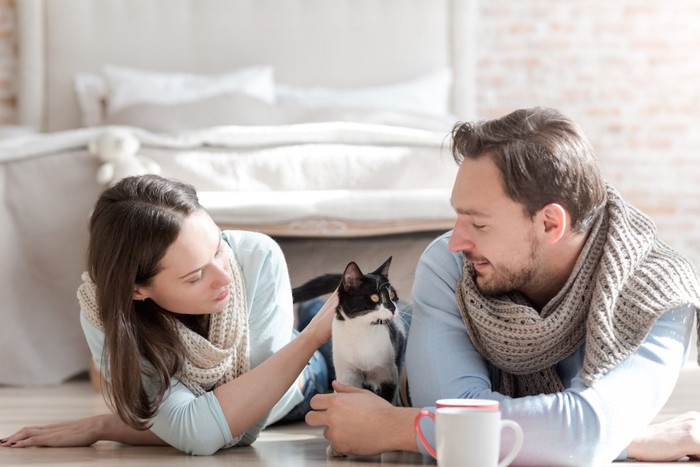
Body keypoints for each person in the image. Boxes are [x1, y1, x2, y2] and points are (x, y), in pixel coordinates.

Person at [305, 107, 700, 465]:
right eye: (457, 216)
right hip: (369, 347)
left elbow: (585, 432)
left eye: (478, 223)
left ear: (549, 224)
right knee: (315, 356)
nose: (456, 240)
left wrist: (397, 428)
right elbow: (457, 410)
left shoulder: (657, 294)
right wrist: (617, 438)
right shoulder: (449, 264)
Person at [0, 174, 337, 455]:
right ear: (137, 291)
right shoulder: (105, 314)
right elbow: (206, 433)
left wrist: (314, 336)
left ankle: (308, 317)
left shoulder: (256, 257)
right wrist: (106, 424)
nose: (224, 276)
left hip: (308, 375)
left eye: (218, 248)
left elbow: (242, 427)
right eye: (196, 276)